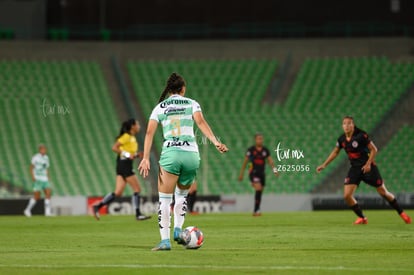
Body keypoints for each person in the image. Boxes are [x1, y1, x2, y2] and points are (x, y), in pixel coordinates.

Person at [138, 72, 228, 251]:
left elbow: (149, 133)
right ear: (183, 89)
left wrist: (146, 157)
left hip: (171, 154)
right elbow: (201, 123)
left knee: (164, 200)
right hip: (191, 155)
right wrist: (216, 142)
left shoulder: (160, 107)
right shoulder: (192, 103)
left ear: (169, 89)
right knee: (182, 196)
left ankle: (165, 241)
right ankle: (178, 230)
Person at [316, 116, 411, 224]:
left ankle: (401, 213)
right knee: (347, 196)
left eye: (349, 123)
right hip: (355, 168)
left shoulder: (361, 135)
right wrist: (324, 164)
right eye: (344, 124)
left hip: (368, 167)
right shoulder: (342, 139)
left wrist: (368, 164)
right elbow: (335, 152)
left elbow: (374, 149)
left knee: (383, 192)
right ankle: (362, 218)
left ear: (353, 125)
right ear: (342, 126)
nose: (347, 126)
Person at [93, 119, 150, 221]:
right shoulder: (127, 136)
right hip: (125, 165)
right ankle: (138, 214)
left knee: (118, 192)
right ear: (132, 126)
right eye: (137, 124)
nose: (139, 126)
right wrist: (128, 154)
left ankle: (98, 206)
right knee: (137, 189)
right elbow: (114, 148)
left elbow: (129, 154)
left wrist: (137, 155)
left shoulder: (132, 138)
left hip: (122, 164)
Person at [238, 133, 278, 216]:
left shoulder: (265, 150)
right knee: (258, 188)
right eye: (258, 139)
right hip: (253, 172)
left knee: (260, 191)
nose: (260, 140)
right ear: (255, 140)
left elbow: (270, 161)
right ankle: (256, 210)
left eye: (261, 139)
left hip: (262, 173)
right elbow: (245, 162)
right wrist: (241, 173)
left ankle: (257, 209)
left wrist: (274, 170)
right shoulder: (251, 150)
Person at [24, 144, 52, 217]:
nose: (44, 151)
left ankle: (47, 212)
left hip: (44, 178)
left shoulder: (46, 157)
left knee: (48, 193)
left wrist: (48, 176)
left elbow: (47, 168)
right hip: (38, 178)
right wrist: (33, 176)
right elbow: (31, 167)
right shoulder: (35, 157)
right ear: (39, 150)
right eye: (42, 149)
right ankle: (27, 210)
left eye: (45, 149)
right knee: (37, 196)